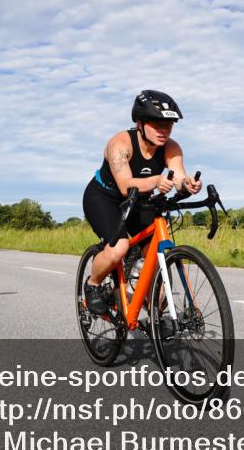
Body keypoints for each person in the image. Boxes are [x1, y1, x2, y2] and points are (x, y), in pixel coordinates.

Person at [81, 90, 201, 315]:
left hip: (139, 200)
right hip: (104, 197)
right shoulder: (119, 144)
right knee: (120, 247)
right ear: (140, 123)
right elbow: (126, 185)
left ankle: (152, 309)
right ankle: (93, 285)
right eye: (157, 124)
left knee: (154, 252)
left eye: (169, 125)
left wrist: (188, 184)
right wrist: (156, 180)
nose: (164, 131)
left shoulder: (171, 147)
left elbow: (178, 177)